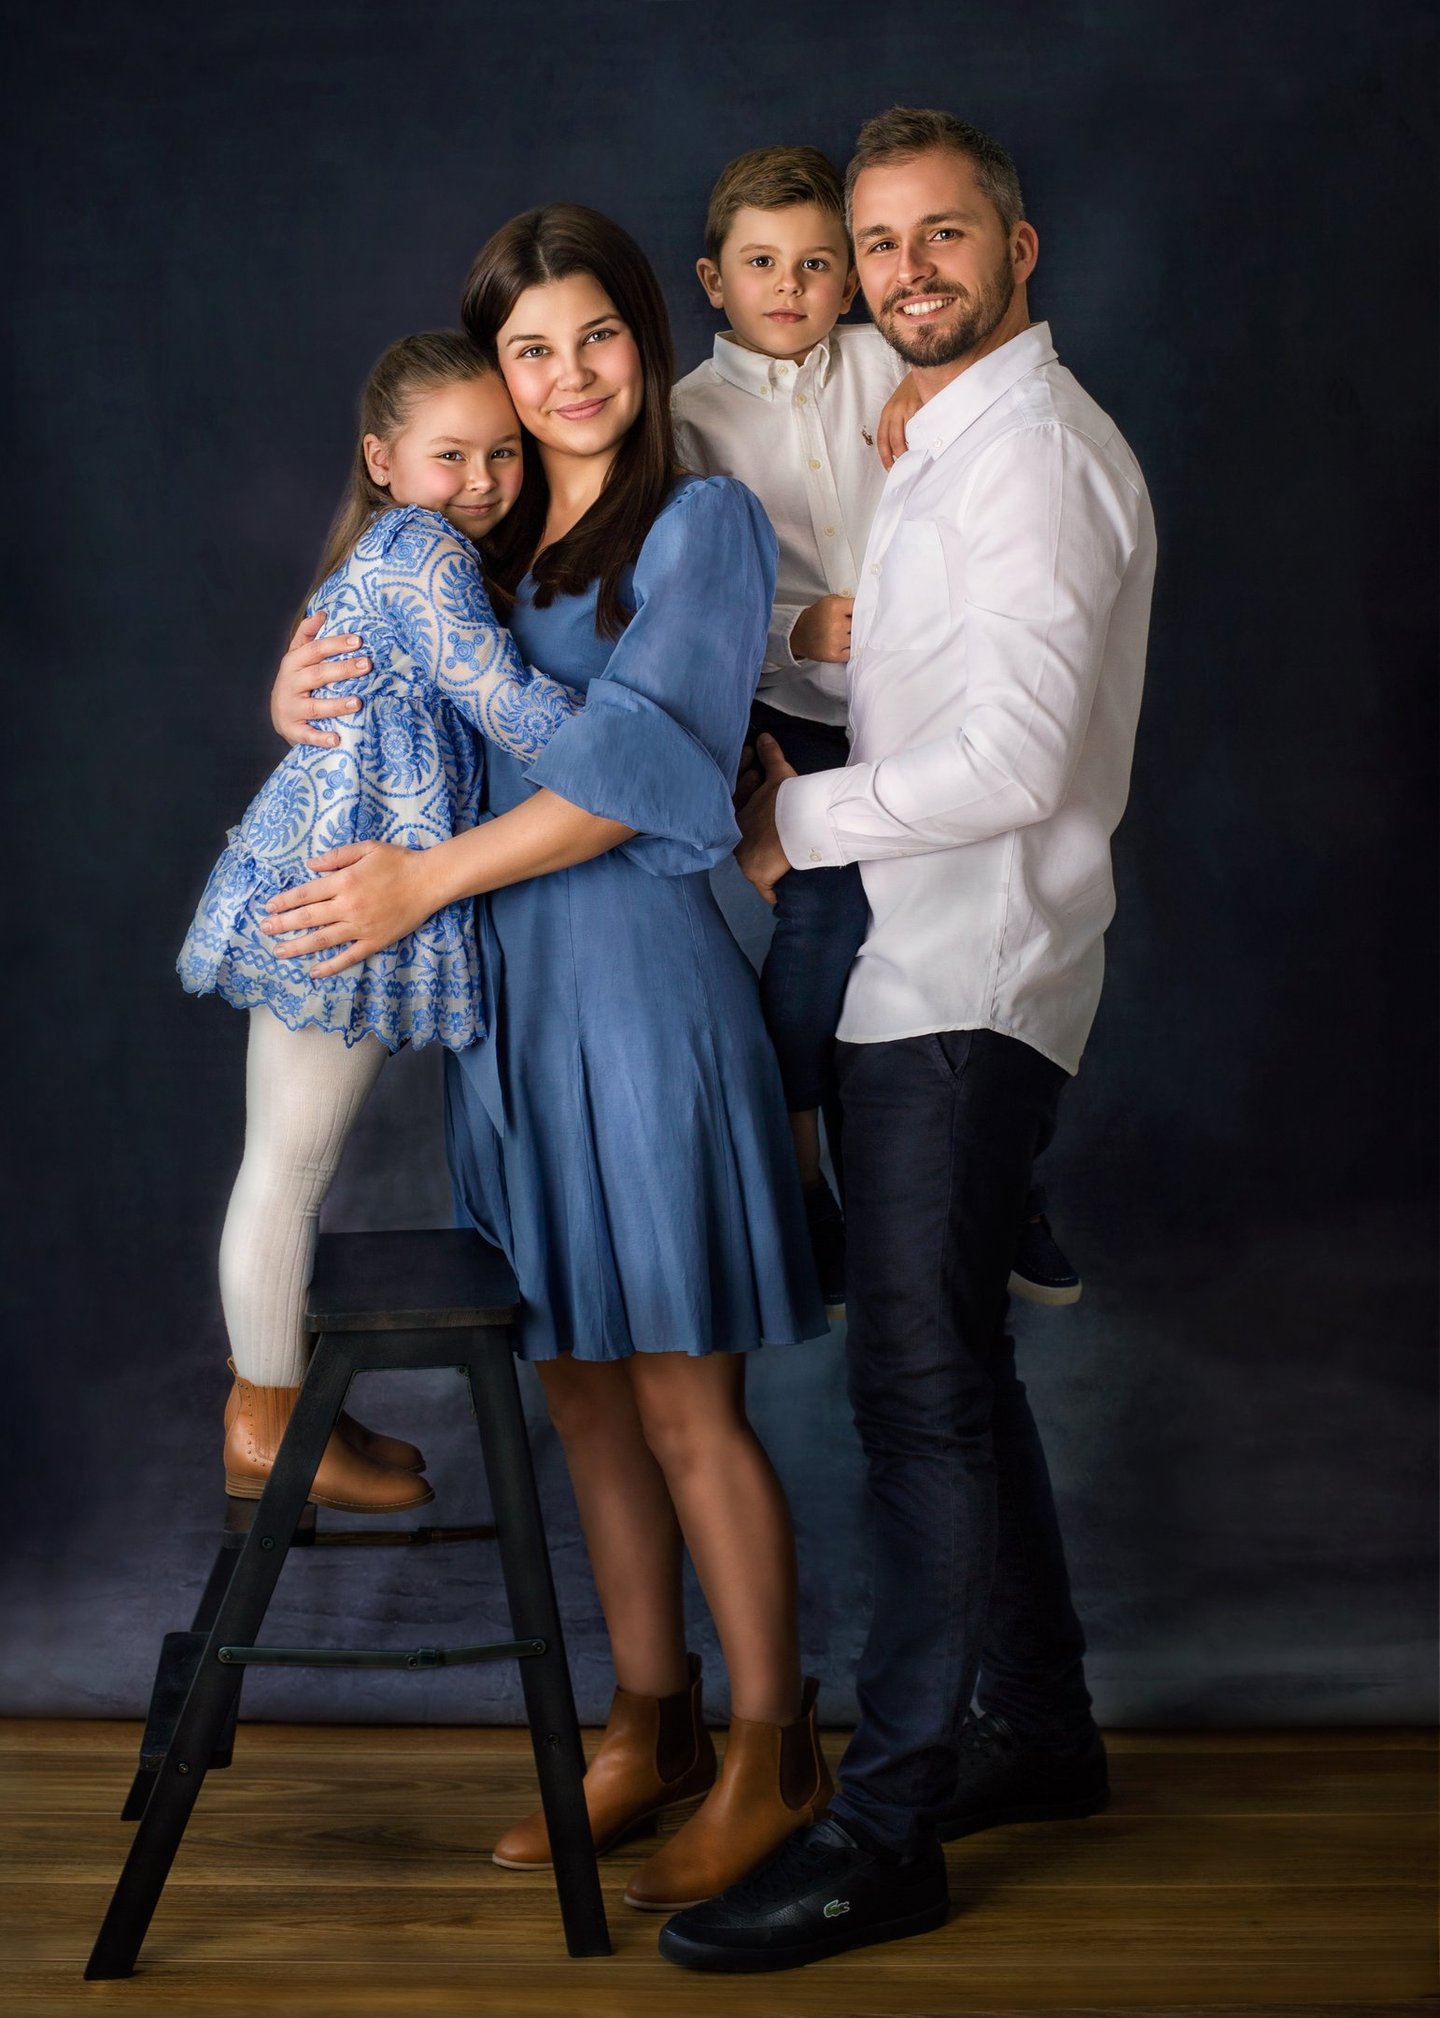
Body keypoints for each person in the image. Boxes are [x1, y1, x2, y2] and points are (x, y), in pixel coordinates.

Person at [261, 204, 832, 1914]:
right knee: (576, 1385)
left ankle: (772, 1749)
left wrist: (427, 875)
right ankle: (643, 1725)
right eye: (530, 350)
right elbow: (384, 699)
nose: (569, 376)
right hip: (508, 1013)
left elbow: (654, 768)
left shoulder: (703, 523)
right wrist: (299, 689)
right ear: (491, 375)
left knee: (681, 1392)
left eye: (597, 337)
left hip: (646, 1003)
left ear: (645, 346)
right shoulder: (472, 535)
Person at [660, 108, 1156, 1972]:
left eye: (945, 235)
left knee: (918, 1401)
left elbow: (1014, 763)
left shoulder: (1029, 459)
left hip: (967, 981)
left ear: (1020, 251)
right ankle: (1040, 1731)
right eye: (880, 244)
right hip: (932, 975)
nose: (905, 270)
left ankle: (884, 1835)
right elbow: (918, 675)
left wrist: (801, 829)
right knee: (955, 1373)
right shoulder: (947, 443)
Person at [179, 331, 585, 1513]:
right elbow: (503, 700)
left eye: (503, 453)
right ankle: (261, 1420)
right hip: (336, 890)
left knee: (289, 1160)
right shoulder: (422, 554)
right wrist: (648, 749)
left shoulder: (401, 544)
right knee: (291, 1166)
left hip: (327, 869)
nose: (484, 479)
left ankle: (283, 1391)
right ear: (383, 458)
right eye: (450, 453)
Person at [674, 142, 1083, 1313]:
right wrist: (799, 634)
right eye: (761, 265)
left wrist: (922, 391)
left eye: (816, 263)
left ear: (850, 281)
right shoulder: (688, 419)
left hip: (931, 707)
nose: (790, 288)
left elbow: (987, 401)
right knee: (827, 928)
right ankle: (803, 1183)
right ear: (715, 281)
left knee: (962, 933)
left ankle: (998, 1183)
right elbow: (688, 606)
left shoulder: (890, 360)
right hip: (796, 714)